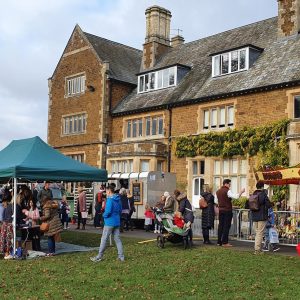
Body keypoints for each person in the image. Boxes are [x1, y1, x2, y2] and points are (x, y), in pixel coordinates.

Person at [90, 184, 124, 262]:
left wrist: (103, 216)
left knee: (104, 239)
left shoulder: (110, 200)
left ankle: (99, 256)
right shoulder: (118, 199)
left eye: (106, 191)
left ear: (109, 191)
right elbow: (120, 210)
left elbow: (108, 211)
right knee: (117, 239)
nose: (106, 193)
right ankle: (121, 257)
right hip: (117, 221)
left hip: (109, 222)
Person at [216, 179, 245, 247]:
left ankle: (219, 241)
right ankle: (225, 242)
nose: (230, 186)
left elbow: (216, 201)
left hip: (221, 210)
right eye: (229, 184)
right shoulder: (227, 191)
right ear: (226, 184)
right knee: (226, 226)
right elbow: (236, 197)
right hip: (227, 211)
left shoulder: (217, 191)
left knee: (221, 226)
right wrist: (241, 192)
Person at [251, 181, 271, 254]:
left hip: (254, 217)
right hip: (261, 216)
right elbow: (268, 204)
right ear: (262, 187)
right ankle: (257, 250)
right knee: (260, 233)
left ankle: (257, 249)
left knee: (257, 233)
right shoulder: (263, 194)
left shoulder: (253, 194)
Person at [0, 193, 14, 259]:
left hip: (7, 225)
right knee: (5, 239)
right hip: (5, 225)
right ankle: (5, 253)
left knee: (7, 239)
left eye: (3, 203)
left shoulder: (9, 207)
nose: (2, 204)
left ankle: (6, 252)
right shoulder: (6, 207)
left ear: (6, 202)